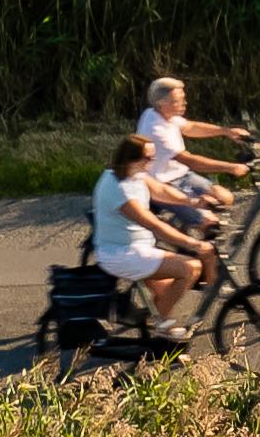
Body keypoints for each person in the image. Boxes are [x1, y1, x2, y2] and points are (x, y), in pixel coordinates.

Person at [86, 134, 204, 337]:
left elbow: (161, 191)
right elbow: (153, 224)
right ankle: (162, 327)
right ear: (131, 158)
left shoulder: (135, 173)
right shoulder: (118, 189)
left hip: (140, 249)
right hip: (122, 254)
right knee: (191, 268)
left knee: (166, 292)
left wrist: (193, 202)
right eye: (148, 158)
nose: (153, 162)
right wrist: (192, 243)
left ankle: (153, 322)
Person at [129, 75, 255, 226]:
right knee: (210, 223)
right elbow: (191, 161)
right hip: (162, 184)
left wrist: (227, 131)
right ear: (162, 103)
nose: (185, 103)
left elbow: (190, 127)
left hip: (182, 175)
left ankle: (182, 225)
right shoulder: (156, 129)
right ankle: (185, 242)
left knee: (225, 198)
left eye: (184, 98)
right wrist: (231, 167)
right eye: (178, 100)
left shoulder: (160, 113)